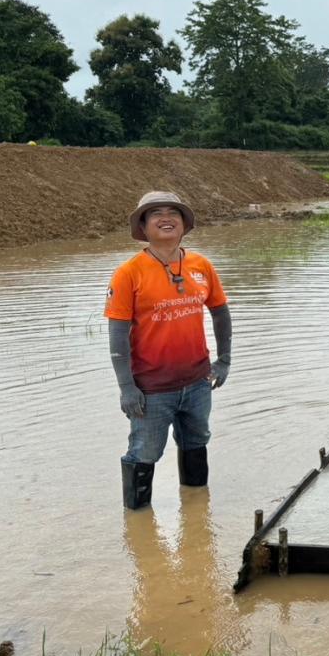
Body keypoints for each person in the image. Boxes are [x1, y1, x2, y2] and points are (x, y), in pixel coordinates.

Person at [106, 191, 232, 510]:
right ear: (144, 227)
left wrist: (224, 361)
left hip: (198, 383)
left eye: (173, 212)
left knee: (196, 442)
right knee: (144, 453)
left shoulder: (201, 265)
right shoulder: (128, 273)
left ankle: (196, 512)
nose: (166, 218)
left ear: (184, 224)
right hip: (151, 389)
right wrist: (127, 388)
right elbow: (117, 335)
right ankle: (137, 524)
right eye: (156, 213)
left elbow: (220, 311)